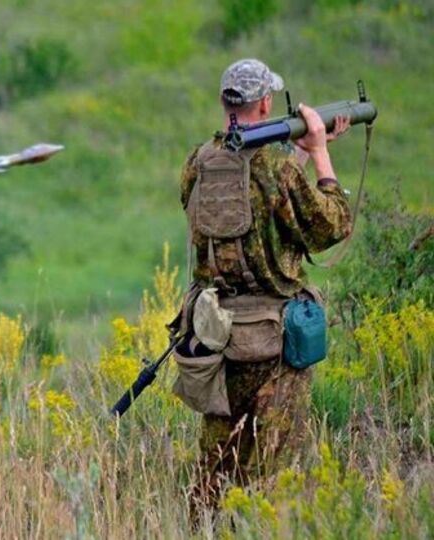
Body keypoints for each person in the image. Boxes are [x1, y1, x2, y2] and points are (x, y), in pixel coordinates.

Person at [177, 59, 353, 516]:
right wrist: (319, 154)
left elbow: (247, 207)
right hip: (274, 344)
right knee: (273, 475)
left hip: (216, 337)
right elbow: (333, 225)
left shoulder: (197, 163)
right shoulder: (278, 169)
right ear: (266, 103)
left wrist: (294, 155)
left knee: (215, 472)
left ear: (225, 102)